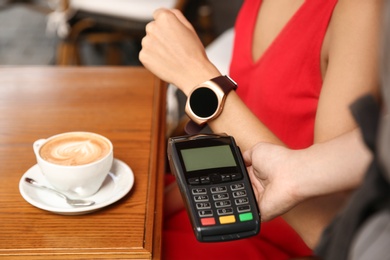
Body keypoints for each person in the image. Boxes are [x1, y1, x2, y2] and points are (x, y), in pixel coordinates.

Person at [139, 0, 381, 258]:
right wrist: (164, 199)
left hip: (280, 237)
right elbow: (241, 144)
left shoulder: (361, 11)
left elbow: (329, 226)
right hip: (222, 197)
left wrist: (199, 78)